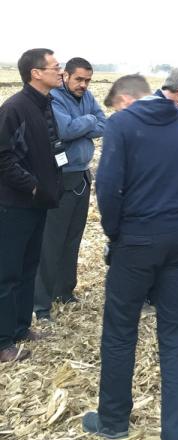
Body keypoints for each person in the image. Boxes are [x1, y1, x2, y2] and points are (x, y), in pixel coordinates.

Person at [82, 74, 178, 440]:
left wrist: (115, 232)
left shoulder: (121, 124)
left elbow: (107, 187)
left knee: (121, 330)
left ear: (125, 99)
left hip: (135, 241)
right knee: (175, 338)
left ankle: (113, 421)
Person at [0, 48, 64, 363]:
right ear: (35, 73)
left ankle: (21, 327)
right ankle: (2, 342)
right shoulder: (14, 108)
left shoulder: (45, 105)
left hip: (37, 204)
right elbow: (4, 158)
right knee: (7, 273)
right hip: (14, 205)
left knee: (28, 268)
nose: (60, 70)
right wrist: (34, 185)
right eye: (55, 66)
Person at [33, 57, 106, 323]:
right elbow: (64, 129)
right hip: (60, 178)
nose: (84, 85)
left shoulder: (87, 97)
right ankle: (40, 305)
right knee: (51, 242)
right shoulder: (54, 98)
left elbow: (104, 123)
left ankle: (64, 292)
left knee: (72, 238)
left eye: (88, 80)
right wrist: (87, 123)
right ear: (65, 76)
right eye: (79, 79)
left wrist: (81, 125)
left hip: (82, 177)